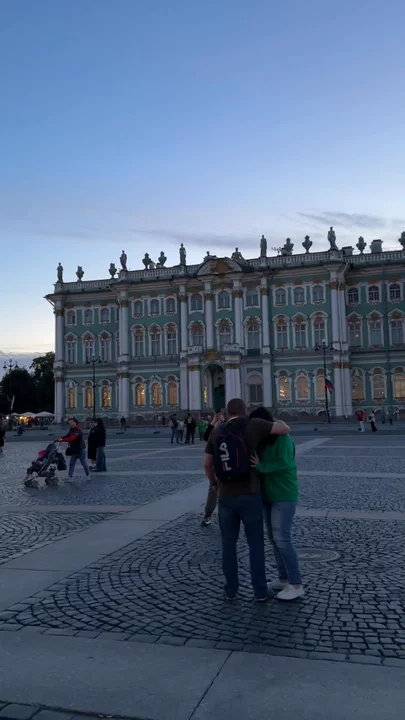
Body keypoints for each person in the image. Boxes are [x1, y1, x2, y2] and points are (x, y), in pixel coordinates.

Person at [204, 398, 290, 602]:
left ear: (227, 412)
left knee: (228, 544)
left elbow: (207, 464)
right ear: (244, 410)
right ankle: (260, 591)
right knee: (255, 544)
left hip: (225, 496)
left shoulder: (217, 432)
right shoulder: (253, 425)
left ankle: (230, 590)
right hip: (250, 494)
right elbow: (284, 429)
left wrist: (214, 483)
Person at [249, 407, 304, 601]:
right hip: (268, 495)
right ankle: (283, 578)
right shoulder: (262, 441)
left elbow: (285, 463)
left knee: (283, 539)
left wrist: (261, 466)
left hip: (284, 493)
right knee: (274, 539)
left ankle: (296, 584)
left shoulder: (283, 439)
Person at [201, 412, 224, 526]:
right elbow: (206, 437)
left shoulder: (227, 430)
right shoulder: (214, 434)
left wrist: (223, 422)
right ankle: (208, 514)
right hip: (217, 465)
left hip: (227, 464)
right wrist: (213, 423)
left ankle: (226, 515)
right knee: (213, 489)